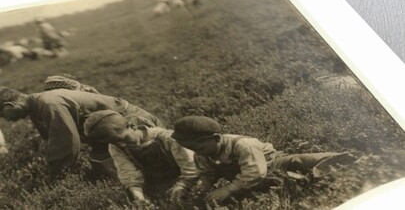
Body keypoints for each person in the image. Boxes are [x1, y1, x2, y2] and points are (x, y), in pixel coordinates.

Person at [172, 116, 359, 203]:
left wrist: (229, 188)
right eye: (193, 149)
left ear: (216, 138)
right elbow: (208, 174)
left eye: (200, 146)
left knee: (300, 161)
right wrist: (203, 187)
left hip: (271, 165)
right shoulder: (202, 154)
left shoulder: (244, 145)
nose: (198, 152)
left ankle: (348, 159)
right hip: (247, 179)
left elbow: (256, 171)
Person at [0, 86, 163, 176]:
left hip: (131, 124)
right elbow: (50, 138)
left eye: (3, 116)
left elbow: (66, 141)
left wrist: (57, 174)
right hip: (109, 131)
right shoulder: (36, 105)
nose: (7, 120)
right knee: (102, 166)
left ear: (10, 106)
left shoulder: (48, 104)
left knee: (153, 165)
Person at [84, 110, 198, 205]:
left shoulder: (166, 138)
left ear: (132, 126)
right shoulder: (116, 147)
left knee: (191, 197)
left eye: (123, 139)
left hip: (188, 177)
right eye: (114, 142)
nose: (122, 144)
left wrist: (183, 185)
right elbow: (127, 172)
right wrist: (138, 196)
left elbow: (190, 163)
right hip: (159, 182)